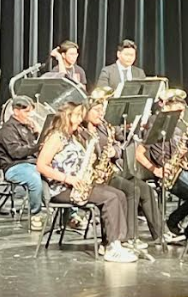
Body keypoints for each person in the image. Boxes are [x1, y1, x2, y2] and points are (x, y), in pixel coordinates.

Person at [36, 102, 137, 263]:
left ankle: (111, 242)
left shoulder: (73, 137)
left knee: (119, 194)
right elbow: (41, 166)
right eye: (77, 116)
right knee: (110, 198)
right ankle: (113, 248)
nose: (80, 119)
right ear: (67, 116)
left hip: (78, 184)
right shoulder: (56, 137)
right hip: (62, 189)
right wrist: (68, 178)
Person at [85, 97, 164, 246]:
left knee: (146, 189)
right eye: (96, 110)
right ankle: (130, 237)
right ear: (86, 111)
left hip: (110, 170)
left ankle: (160, 234)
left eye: (102, 110)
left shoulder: (104, 127)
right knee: (132, 190)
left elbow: (119, 146)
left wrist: (114, 152)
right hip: (95, 175)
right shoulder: (82, 131)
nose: (101, 114)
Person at [136, 92, 188, 241]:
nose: (181, 116)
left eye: (182, 112)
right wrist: (155, 170)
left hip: (178, 169)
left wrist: (184, 157)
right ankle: (173, 222)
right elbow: (139, 153)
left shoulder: (178, 129)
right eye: (178, 112)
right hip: (165, 173)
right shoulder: (157, 127)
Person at [0, 95, 44, 231]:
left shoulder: (27, 127)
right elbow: (16, 152)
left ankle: (70, 215)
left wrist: (38, 134)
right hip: (14, 166)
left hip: (31, 163)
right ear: (16, 111)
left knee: (60, 172)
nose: (30, 115)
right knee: (34, 178)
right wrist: (37, 146)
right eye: (27, 111)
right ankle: (36, 214)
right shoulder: (7, 129)